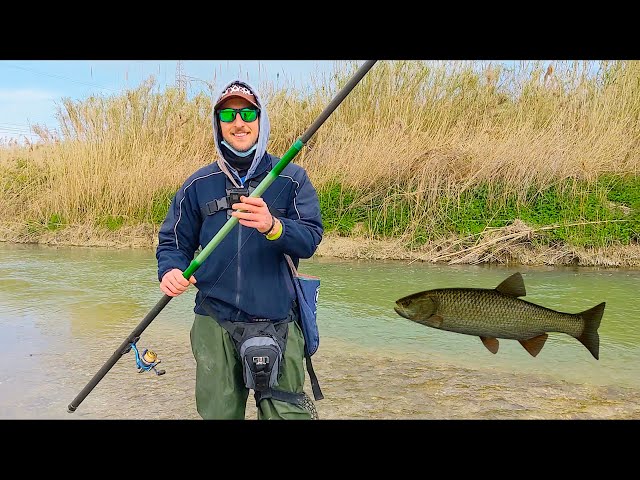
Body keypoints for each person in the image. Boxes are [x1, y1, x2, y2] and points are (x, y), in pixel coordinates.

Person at [156, 80, 324, 420]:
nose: (239, 122)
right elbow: (173, 243)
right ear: (218, 124)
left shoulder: (292, 178)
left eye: (247, 112)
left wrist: (273, 226)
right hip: (215, 320)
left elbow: (310, 238)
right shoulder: (196, 185)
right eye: (228, 115)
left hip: (278, 318)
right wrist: (171, 271)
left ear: (260, 121)